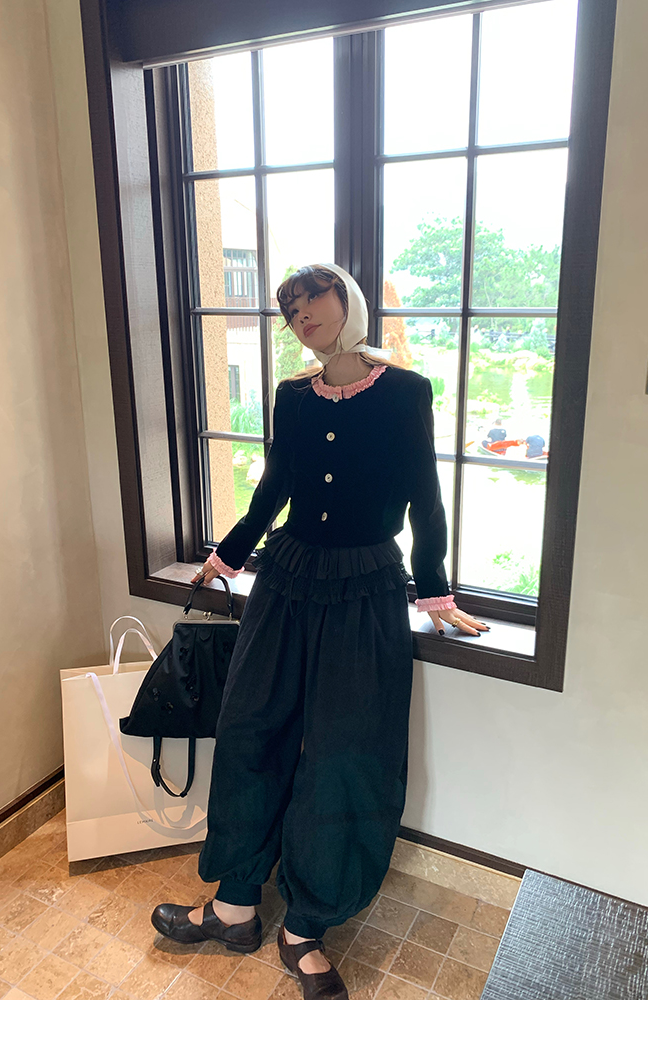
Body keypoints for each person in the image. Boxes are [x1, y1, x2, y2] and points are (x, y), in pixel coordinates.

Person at [150, 263, 490, 1000]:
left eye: (313, 299)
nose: (301, 315)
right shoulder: (293, 396)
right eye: (290, 307)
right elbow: (274, 486)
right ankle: (234, 905)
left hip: (366, 588)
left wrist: (434, 591)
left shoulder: (406, 391)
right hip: (287, 579)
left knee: (346, 752)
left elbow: (425, 499)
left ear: (348, 302)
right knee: (250, 729)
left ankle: (306, 924)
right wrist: (226, 555)